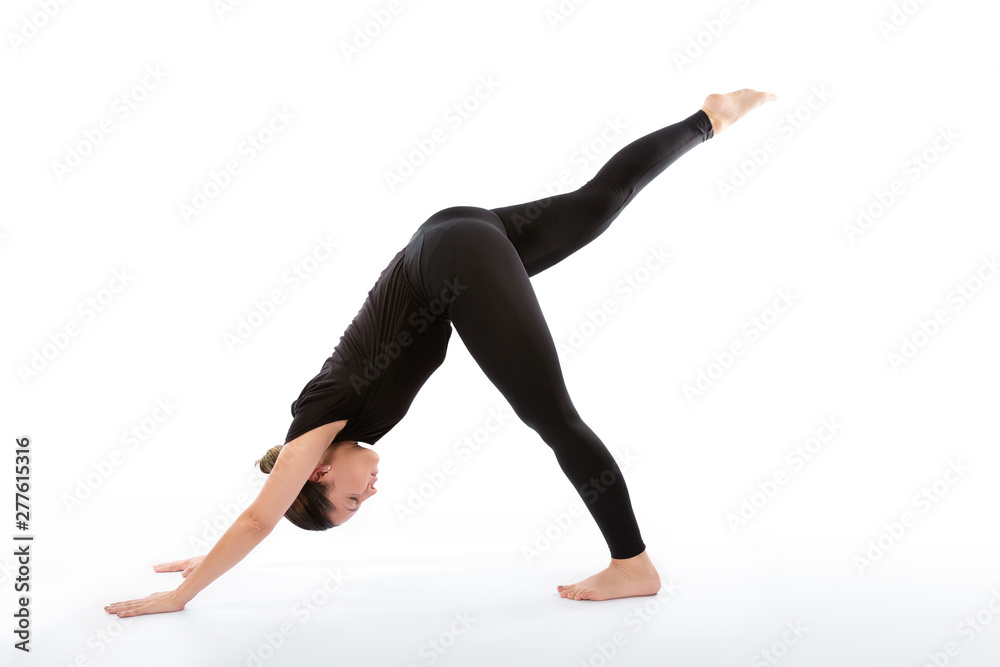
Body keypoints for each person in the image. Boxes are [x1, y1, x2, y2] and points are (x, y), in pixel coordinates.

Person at [105, 88, 776, 617]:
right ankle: (710, 118)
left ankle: (633, 563)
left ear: (315, 474)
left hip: (452, 259)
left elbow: (260, 515)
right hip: (450, 238)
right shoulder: (342, 420)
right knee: (599, 204)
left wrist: (182, 594)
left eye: (351, 499)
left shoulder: (319, 420)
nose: (370, 492)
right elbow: (264, 514)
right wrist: (206, 556)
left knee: (554, 418)